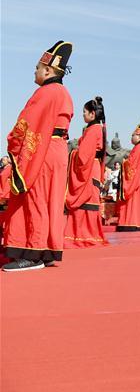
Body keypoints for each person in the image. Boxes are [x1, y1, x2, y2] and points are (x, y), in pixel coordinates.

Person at [2, 41, 74, 271]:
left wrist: (13, 146)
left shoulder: (46, 92)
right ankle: (45, 250)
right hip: (57, 150)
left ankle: (33, 253)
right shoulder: (63, 92)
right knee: (50, 201)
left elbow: (26, 124)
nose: (34, 71)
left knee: (35, 199)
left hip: (43, 150)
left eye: (37, 67)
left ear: (48, 70)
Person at [64, 97, 109, 248]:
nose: (83, 114)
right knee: (89, 201)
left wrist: (72, 153)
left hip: (88, 168)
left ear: (92, 114)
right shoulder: (97, 128)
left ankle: (81, 236)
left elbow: (83, 155)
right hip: (93, 167)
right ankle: (90, 235)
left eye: (84, 112)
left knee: (84, 201)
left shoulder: (93, 130)